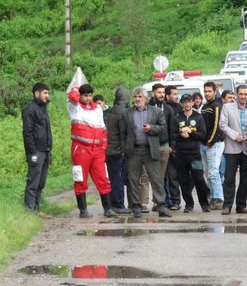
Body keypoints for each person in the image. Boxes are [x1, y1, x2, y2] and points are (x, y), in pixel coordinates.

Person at [119, 87, 172, 218]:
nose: (137, 99)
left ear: (146, 99)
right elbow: (123, 134)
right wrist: (125, 148)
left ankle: (161, 206)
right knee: (133, 180)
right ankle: (136, 206)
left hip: (150, 150)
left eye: (139, 97)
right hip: (134, 151)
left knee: (157, 179)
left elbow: (163, 127)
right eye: (135, 97)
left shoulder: (156, 111)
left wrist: (151, 128)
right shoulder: (127, 113)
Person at [67, 84, 117, 218]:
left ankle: (108, 209)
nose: (88, 98)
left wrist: (103, 146)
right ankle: (83, 210)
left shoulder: (98, 109)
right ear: (81, 95)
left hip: (97, 150)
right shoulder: (74, 107)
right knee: (80, 179)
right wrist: (76, 89)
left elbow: (103, 128)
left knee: (103, 178)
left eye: (90, 95)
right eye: (85, 95)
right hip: (81, 149)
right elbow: (71, 96)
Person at [219, 84, 247, 215]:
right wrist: (234, 135)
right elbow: (223, 125)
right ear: (237, 94)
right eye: (240, 94)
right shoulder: (227, 107)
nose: (243, 96)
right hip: (232, 148)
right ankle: (227, 205)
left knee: (245, 179)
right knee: (229, 178)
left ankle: (241, 205)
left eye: (245, 94)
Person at [172, 94, 210, 213]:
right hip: (181, 154)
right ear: (182, 104)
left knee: (199, 178)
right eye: (184, 102)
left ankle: (204, 203)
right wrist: (180, 135)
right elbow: (172, 135)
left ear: (193, 103)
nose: (187, 104)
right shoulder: (177, 118)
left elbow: (203, 135)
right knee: (183, 180)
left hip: (194, 154)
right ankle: (189, 204)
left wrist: (192, 132)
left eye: (189, 102)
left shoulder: (198, 118)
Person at [23, 82, 52, 216]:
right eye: (45, 93)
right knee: (33, 183)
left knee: (41, 182)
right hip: (36, 152)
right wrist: (33, 152)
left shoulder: (43, 108)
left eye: (48, 93)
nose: (47, 95)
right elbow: (27, 133)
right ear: (37, 94)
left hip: (45, 151)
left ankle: (36, 209)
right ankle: (29, 211)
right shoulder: (30, 109)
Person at [146, 83, 175, 211]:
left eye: (163, 92)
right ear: (153, 93)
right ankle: (147, 202)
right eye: (159, 92)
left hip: (164, 146)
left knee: (161, 176)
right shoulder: (148, 108)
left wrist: (171, 146)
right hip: (149, 146)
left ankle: (158, 202)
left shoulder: (168, 109)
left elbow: (171, 128)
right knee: (149, 176)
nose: (162, 95)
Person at [103, 87, 132, 214]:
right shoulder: (124, 113)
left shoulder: (106, 112)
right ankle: (119, 204)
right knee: (119, 178)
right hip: (118, 151)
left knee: (111, 178)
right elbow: (124, 134)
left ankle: (111, 203)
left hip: (106, 149)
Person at [200, 82, 225, 210]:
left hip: (214, 144)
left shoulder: (216, 105)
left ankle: (219, 198)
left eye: (209, 91)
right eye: (205, 91)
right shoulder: (204, 106)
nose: (207, 93)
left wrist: (210, 141)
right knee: (208, 173)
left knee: (213, 172)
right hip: (204, 144)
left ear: (215, 92)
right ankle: (213, 197)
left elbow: (217, 125)